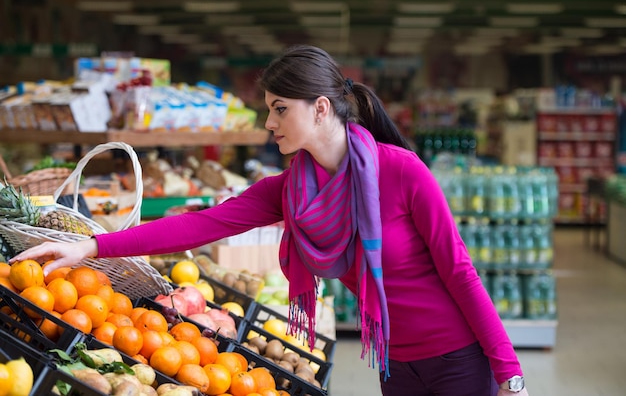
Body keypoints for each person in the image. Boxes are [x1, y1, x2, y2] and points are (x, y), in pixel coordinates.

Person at [10, 45, 529, 396]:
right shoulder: (290, 192)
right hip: (394, 364)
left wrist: (509, 372)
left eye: (280, 109)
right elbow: (202, 224)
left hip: (458, 357)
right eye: (268, 109)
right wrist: (94, 247)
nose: (268, 122)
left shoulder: (401, 172)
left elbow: (460, 270)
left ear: (321, 109)